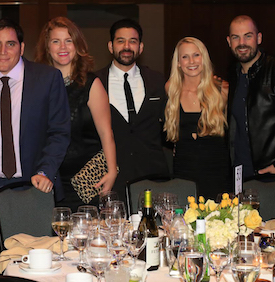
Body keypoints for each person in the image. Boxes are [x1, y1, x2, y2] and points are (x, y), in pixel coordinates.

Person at [0, 18, 70, 200]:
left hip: (36, 186)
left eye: (10, 44)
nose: (3, 51)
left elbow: (59, 132)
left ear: (21, 48)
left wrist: (45, 171)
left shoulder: (47, 79)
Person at [35, 17, 118, 211]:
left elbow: (107, 133)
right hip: (49, 180)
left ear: (77, 45)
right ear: (47, 47)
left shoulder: (91, 84)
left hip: (86, 182)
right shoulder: (38, 85)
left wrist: (112, 171)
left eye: (68, 40)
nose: (62, 47)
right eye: (56, 41)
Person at [94, 19, 169, 204]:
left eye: (132, 41)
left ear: (141, 47)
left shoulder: (158, 80)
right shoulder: (95, 82)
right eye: (120, 41)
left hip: (153, 179)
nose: (127, 46)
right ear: (111, 46)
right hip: (111, 181)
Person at [227, 15, 275, 179]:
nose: (242, 43)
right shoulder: (233, 75)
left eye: (248, 36)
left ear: (259, 38)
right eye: (236, 37)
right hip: (242, 175)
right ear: (229, 42)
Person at [164, 37, 231, 199]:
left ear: (204, 58)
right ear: (178, 62)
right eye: (185, 57)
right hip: (183, 170)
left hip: (217, 172)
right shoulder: (170, 89)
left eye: (196, 55)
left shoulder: (222, 89)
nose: (191, 61)